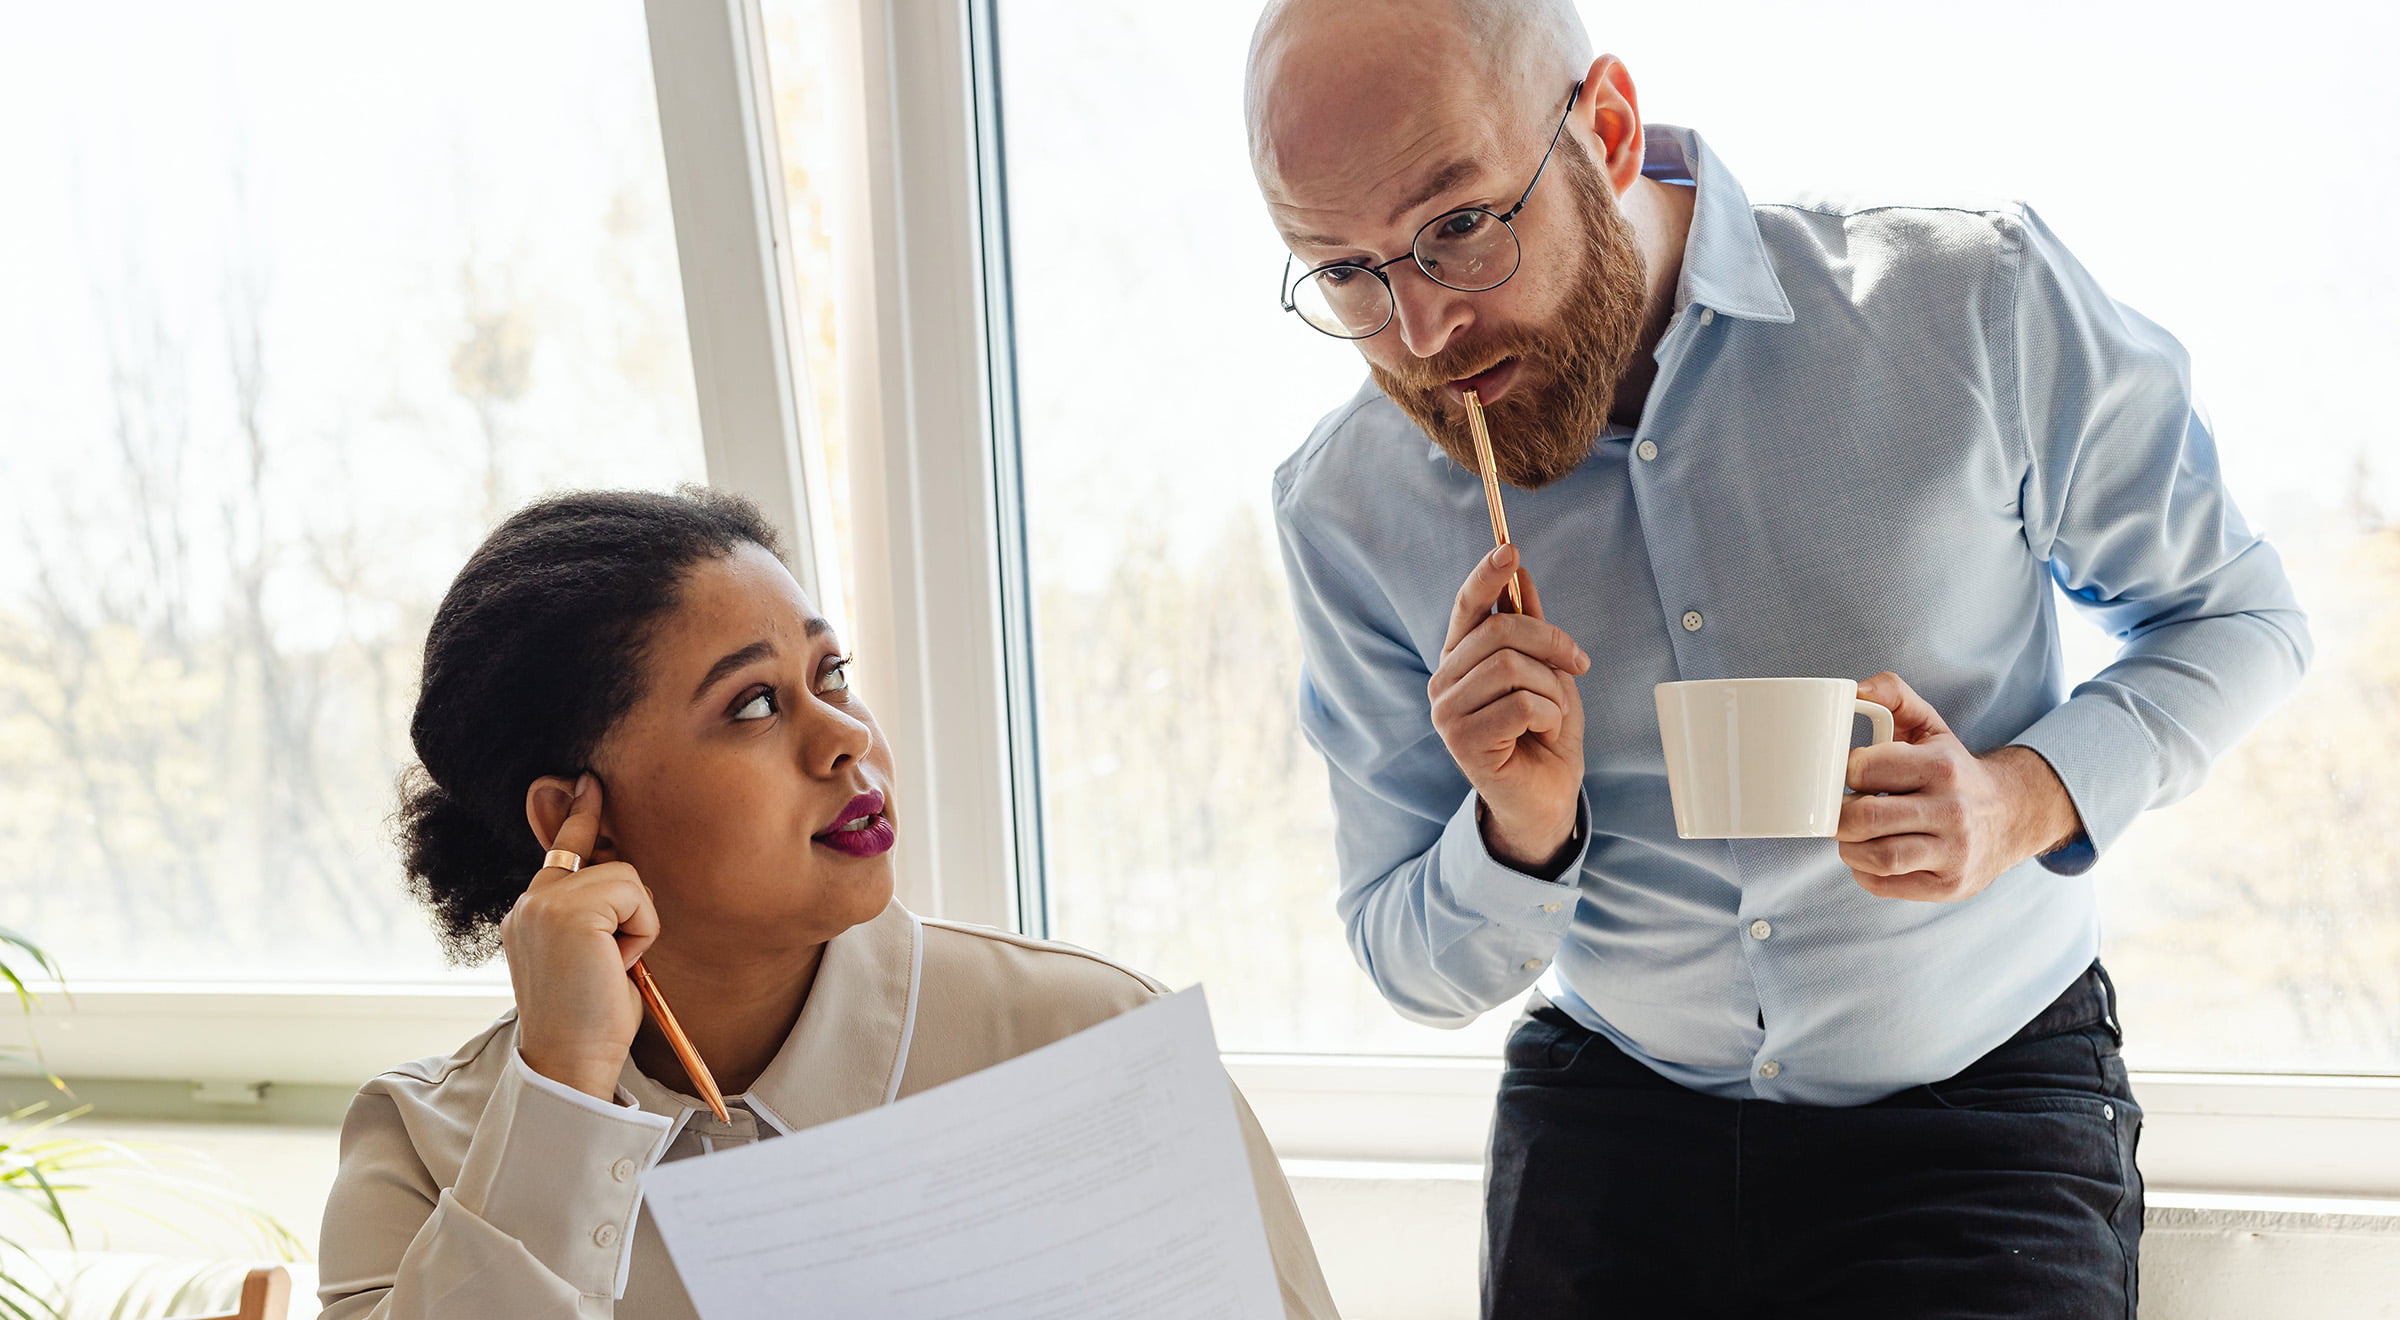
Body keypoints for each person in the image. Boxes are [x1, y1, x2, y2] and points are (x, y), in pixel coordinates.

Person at [1245, 1, 2309, 1315]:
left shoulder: (1972, 303)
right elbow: (1407, 957)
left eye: (1460, 225)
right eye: (1343, 270)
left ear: (1611, 129)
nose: (1418, 331)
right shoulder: (1349, 510)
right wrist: (1520, 829)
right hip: (1613, 1120)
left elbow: (2241, 618)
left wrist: (2016, 800)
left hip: (1980, 1110)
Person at [317, 488, 1338, 1319]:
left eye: (830, 673)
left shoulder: (1094, 1038)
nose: (843, 737)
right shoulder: (419, 1142)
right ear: (578, 817)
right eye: (753, 704)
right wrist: (564, 1096)